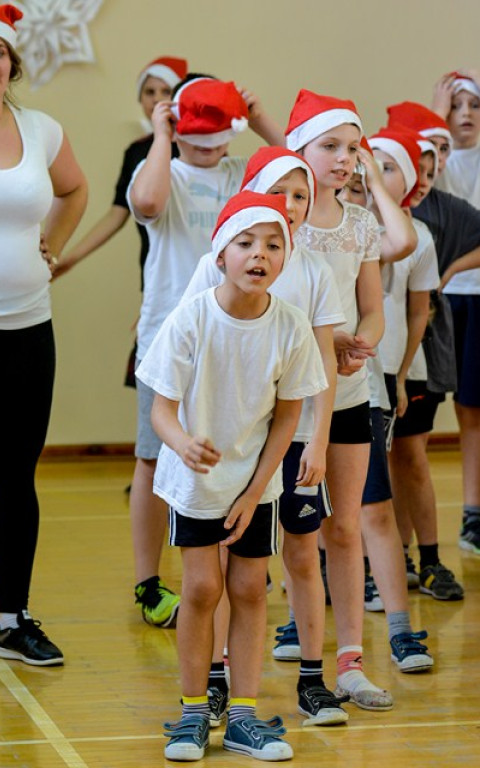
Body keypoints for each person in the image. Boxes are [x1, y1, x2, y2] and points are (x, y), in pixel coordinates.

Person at [138, 191, 327, 761]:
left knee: (248, 589)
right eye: (245, 242)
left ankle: (242, 715)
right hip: (196, 482)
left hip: (257, 481)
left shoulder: (290, 327)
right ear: (221, 254)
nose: (259, 253)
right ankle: (194, 712)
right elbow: (160, 411)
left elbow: (290, 413)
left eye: (273, 244)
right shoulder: (192, 318)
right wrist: (184, 445)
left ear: (285, 258)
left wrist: (254, 489)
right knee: (201, 588)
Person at [183, 146, 348, 726]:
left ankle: (311, 676)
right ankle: (219, 678)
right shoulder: (223, 262)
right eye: (279, 193)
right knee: (232, 570)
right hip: (239, 445)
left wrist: (320, 442)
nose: (291, 206)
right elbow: (194, 350)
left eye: (301, 195)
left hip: (298, 437)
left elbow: (324, 361)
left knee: (302, 554)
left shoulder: (316, 271)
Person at [126, 76, 282, 628]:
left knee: (231, 448)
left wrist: (260, 120)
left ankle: (231, 557)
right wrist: (161, 136)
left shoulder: (242, 174)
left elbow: (294, 174)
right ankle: (149, 583)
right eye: (202, 141)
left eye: (222, 140)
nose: (213, 151)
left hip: (238, 338)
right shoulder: (162, 170)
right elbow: (145, 202)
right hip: (170, 334)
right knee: (155, 454)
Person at [0, 1, 87, 665]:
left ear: (12, 63)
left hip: (25, 332)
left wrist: (54, 249)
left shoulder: (41, 129)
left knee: (14, 478)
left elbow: (75, 192)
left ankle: (14, 619)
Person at [285, 89, 390, 710]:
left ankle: (350, 661)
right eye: (330, 146)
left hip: (349, 395)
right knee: (287, 541)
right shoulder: (278, 226)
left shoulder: (360, 225)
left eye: (352, 148)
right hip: (284, 406)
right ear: (300, 148)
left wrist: (362, 344)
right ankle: (288, 663)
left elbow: (372, 310)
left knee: (343, 527)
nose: (344, 159)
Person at [386, 100, 480, 595]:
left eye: (434, 163)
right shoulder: (366, 213)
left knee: (411, 455)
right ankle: (382, 560)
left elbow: (419, 307)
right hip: (367, 362)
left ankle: (425, 558)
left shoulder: (439, 217)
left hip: (418, 357)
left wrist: (447, 272)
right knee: (370, 466)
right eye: (414, 165)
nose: (425, 175)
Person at [356, 128, 436, 672]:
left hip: (366, 383)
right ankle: (300, 618)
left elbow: (401, 242)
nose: (361, 169)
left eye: (385, 167)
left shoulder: (380, 230)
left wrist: (402, 375)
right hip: (303, 385)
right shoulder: (312, 220)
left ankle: (401, 631)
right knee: (305, 512)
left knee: (374, 508)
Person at [52, 56, 187, 283]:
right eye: (149, 92)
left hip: (197, 263)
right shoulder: (136, 151)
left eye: (166, 91)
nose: (157, 100)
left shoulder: (201, 147)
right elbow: (117, 214)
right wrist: (71, 258)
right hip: (156, 267)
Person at [430, 72, 480, 555]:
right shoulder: (435, 159)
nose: (464, 114)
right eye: (456, 105)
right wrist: (434, 113)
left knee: (472, 414)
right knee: (415, 416)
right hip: (438, 302)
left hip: (473, 295)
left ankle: (472, 515)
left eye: (474, 105)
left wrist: (450, 270)